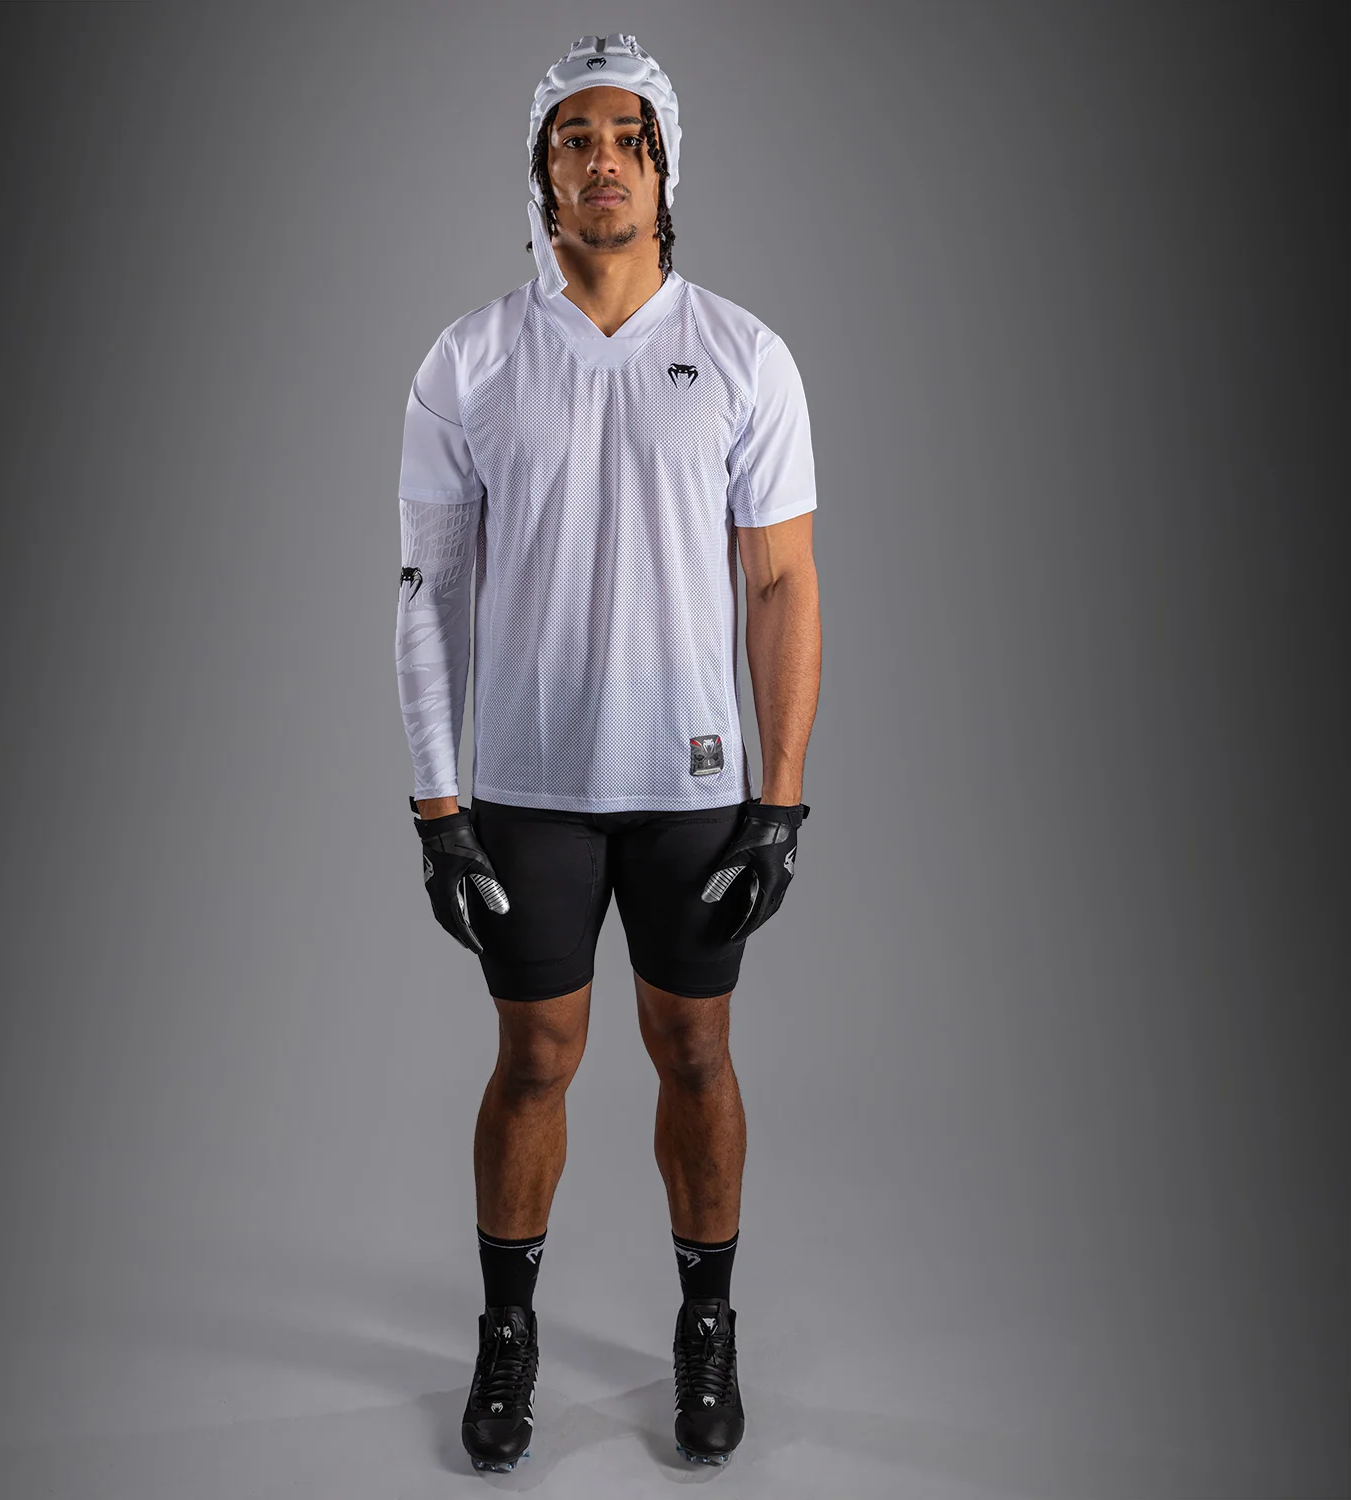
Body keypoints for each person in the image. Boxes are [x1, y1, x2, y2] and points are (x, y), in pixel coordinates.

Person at [394, 33, 820, 1472]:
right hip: (530, 789)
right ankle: (507, 1333)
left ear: (664, 163)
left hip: (693, 785)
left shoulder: (746, 355)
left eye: (628, 138)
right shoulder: (471, 359)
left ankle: (708, 1327)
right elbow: (428, 593)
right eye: (574, 138)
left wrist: (781, 800)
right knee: (535, 1060)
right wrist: (438, 804)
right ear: (541, 168)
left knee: (696, 1048)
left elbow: (782, 584)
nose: (602, 161)